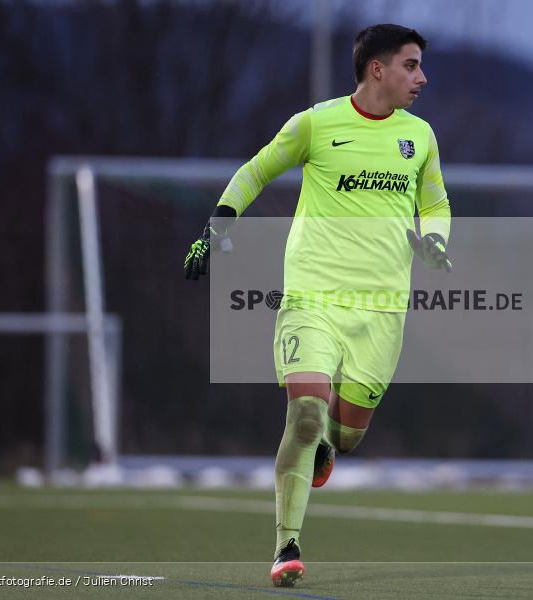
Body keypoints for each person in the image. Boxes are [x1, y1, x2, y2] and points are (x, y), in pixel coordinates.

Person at [184, 23, 452, 588]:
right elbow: (255, 170)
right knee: (305, 414)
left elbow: (436, 200)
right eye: (411, 65)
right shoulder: (316, 123)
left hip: (382, 311)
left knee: (345, 435)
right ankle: (286, 546)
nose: (421, 77)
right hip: (312, 298)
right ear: (376, 69)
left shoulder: (420, 137)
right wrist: (217, 229)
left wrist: (436, 240)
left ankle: (331, 446)